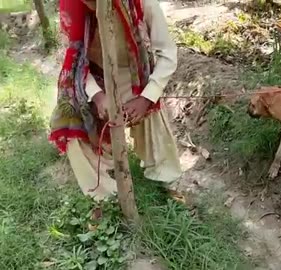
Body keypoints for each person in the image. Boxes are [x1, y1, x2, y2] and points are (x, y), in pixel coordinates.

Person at [49, 0, 182, 200]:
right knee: (69, 119)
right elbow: (75, 61)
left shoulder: (143, 3)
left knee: (153, 116)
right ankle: (103, 194)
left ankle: (165, 179)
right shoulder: (73, 7)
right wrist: (97, 95)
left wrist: (146, 97)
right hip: (95, 79)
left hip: (135, 78)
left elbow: (168, 54)